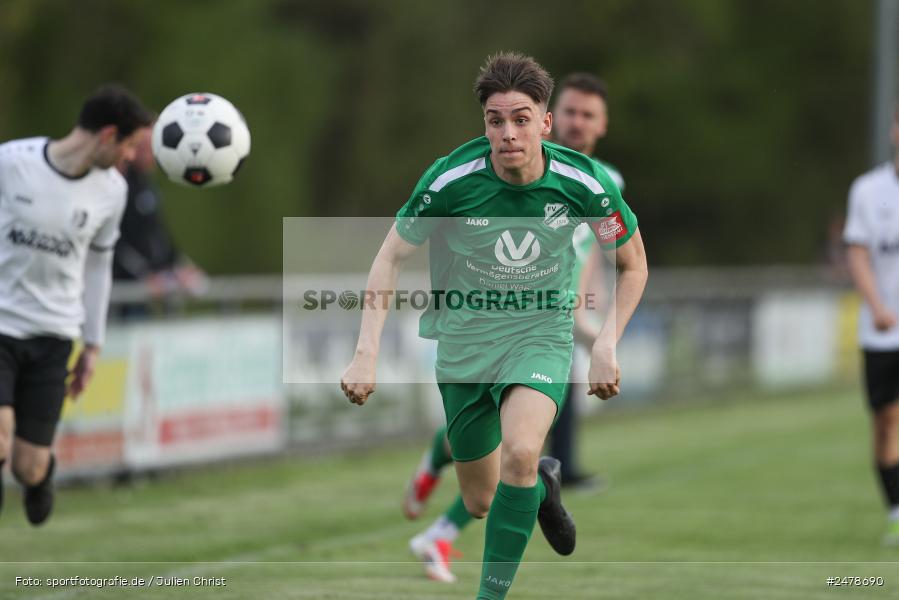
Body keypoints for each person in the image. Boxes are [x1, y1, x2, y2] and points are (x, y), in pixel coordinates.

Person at [341, 53, 647, 599]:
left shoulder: (587, 183)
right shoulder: (450, 179)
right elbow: (389, 258)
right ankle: (543, 485)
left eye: (522, 119)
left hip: (540, 334)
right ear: (483, 124)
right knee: (482, 500)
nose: (508, 133)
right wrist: (365, 351)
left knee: (521, 453)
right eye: (496, 121)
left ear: (544, 123)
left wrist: (607, 342)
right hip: (463, 345)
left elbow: (632, 263)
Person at [401, 71, 627, 582]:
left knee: (522, 452)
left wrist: (595, 333)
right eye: (570, 112)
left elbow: (595, 259)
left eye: (587, 115)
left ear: (602, 125)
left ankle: (443, 533)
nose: (576, 123)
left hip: (546, 325)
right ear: (554, 118)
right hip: (476, 331)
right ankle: (443, 469)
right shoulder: (482, 171)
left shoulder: (599, 181)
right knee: (489, 481)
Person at [0, 84, 152, 525]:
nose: (129, 158)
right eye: (128, 146)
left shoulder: (112, 192)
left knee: (26, 464)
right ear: (107, 135)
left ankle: (43, 475)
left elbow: (99, 266)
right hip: (2, 325)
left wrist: (93, 343)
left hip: (53, 335)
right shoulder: (11, 163)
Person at [843, 104, 899, 545]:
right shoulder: (868, 189)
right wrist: (877, 305)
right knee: (885, 421)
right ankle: (896, 509)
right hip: (882, 331)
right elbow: (858, 252)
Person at [113, 125, 207, 316]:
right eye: (145, 147)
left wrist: (181, 265)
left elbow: (158, 234)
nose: (151, 155)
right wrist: (144, 275)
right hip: (124, 288)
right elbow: (116, 240)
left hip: (151, 285)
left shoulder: (146, 184)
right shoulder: (120, 185)